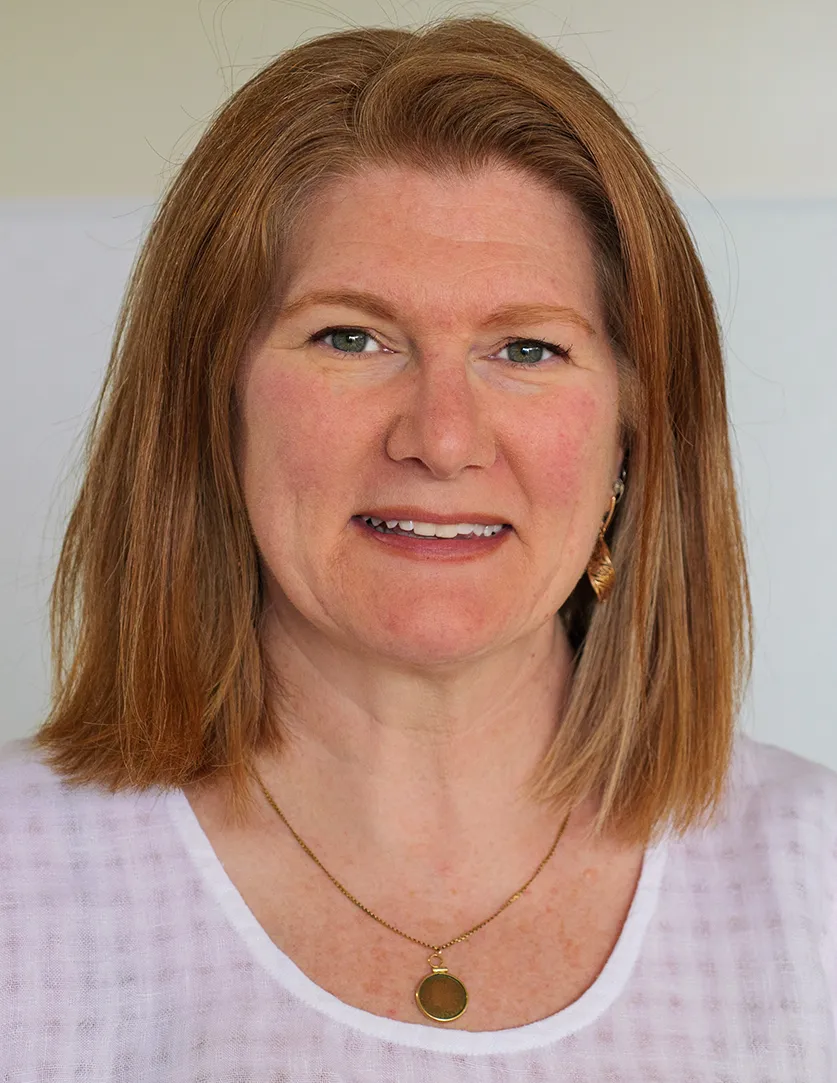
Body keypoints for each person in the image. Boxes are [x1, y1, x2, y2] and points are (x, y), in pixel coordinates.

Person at [1, 13, 834, 1080]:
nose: (441, 438)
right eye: (351, 336)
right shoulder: (18, 891)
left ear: (634, 434)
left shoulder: (818, 888)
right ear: (212, 406)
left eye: (526, 347)